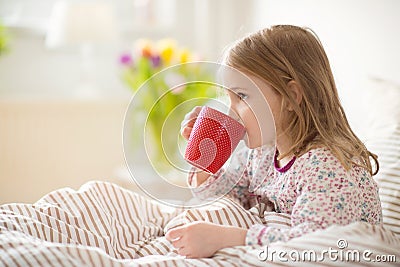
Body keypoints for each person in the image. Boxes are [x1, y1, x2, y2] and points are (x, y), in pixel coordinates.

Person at [165, 25, 382, 258]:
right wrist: (204, 153)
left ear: (292, 97)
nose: (232, 112)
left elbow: (318, 243)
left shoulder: (327, 166)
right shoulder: (264, 152)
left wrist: (227, 237)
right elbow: (218, 196)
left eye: (242, 96)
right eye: (229, 99)